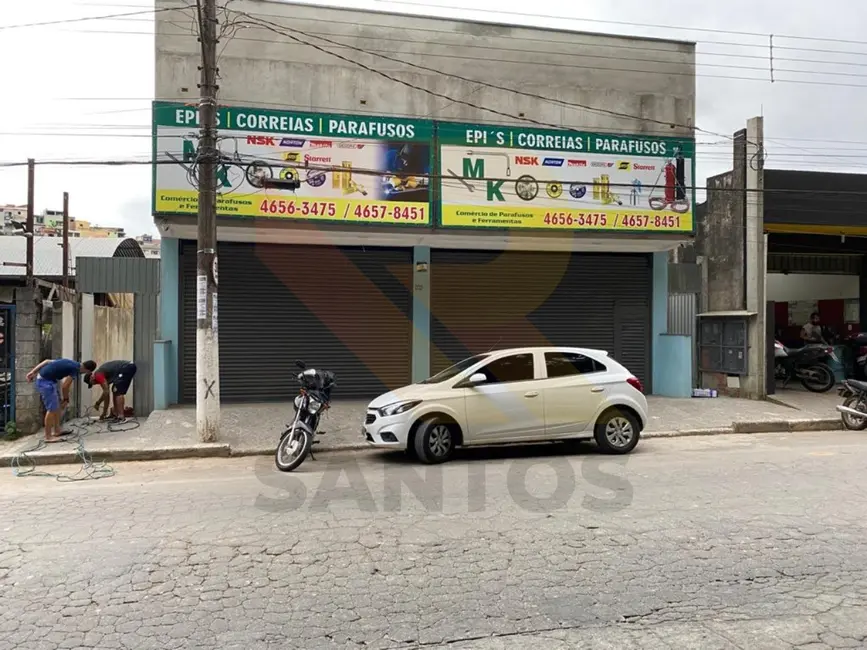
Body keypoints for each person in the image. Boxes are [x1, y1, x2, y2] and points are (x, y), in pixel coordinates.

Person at [26, 358, 97, 443]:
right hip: (45, 382)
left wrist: (33, 372)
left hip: (49, 380)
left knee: (57, 406)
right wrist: (66, 399)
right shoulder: (75, 369)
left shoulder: (73, 363)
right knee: (51, 409)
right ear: (88, 371)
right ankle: (48, 436)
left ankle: (57, 431)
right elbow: (65, 386)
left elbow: (47, 361)